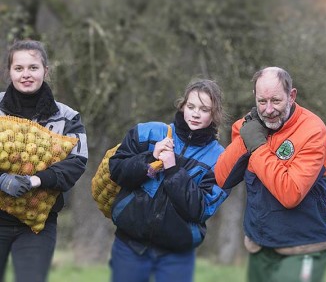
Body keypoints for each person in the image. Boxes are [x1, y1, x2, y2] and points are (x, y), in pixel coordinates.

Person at [214, 67, 326, 282]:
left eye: (276, 101)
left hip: (307, 245)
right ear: (255, 97)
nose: (269, 110)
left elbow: (291, 193)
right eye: (262, 101)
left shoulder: (312, 130)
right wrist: (246, 139)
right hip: (260, 243)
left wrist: (258, 147)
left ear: (292, 96)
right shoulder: (249, 126)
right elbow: (222, 178)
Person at [108, 79, 228, 282]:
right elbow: (117, 171)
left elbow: (200, 209)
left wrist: (173, 169)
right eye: (191, 106)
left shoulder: (221, 159)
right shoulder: (148, 132)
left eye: (204, 109)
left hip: (177, 254)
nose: (196, 114)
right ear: (182, 106)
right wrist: (149, 159)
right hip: (130, 245)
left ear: (215, 114)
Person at [0, 40, 88, 282]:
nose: (26, 74)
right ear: (9, 72)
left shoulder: (68, 117)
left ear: (45, 71)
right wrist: (1, 180)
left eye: (33, 67)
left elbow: (77, 161)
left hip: (38, 226)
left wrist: (36, 180)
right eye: (19, 68)